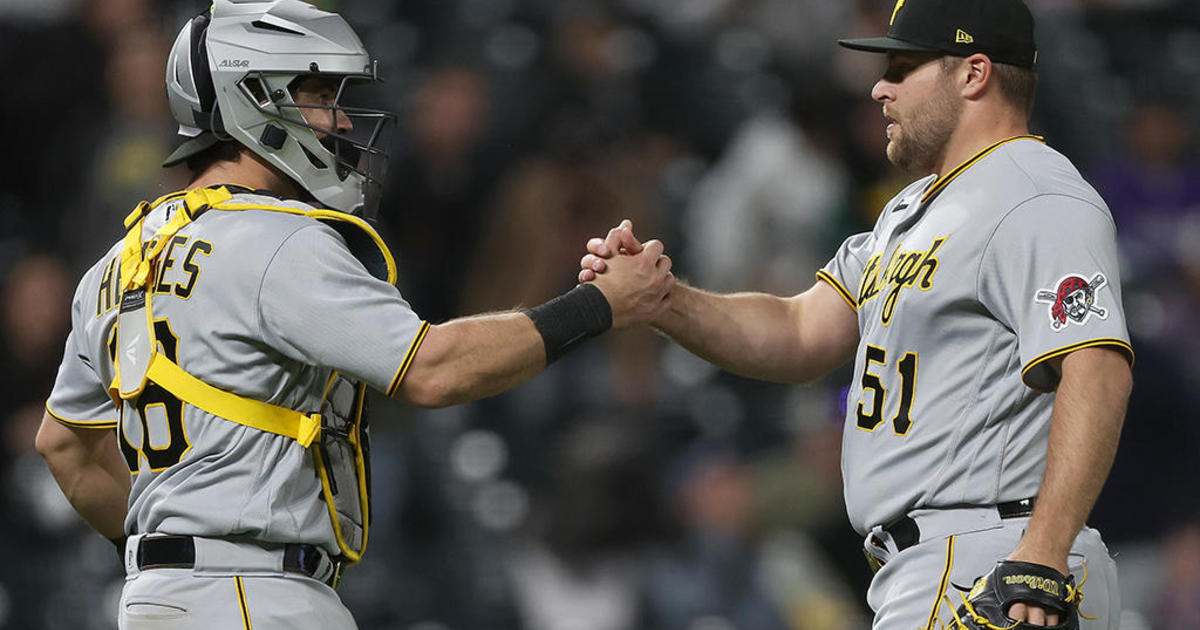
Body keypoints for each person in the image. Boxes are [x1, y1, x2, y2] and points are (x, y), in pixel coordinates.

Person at [34, 1, 673, 628]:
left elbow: (65, 448)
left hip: (153, 601)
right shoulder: (278, 239)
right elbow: (434, 370)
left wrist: (169, 562)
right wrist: (599, 304)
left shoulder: (117, 261)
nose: (339, 120)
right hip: (256, 596)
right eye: (316, 94)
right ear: (252, 98)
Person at [579, 0, 1132, 627]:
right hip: (946, 561)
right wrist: (665, 299)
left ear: (974, 73)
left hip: (995, 559)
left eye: (902, 68)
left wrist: (1041, 555)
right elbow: (800, 332)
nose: (878, 87)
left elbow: (1098, 368)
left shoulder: (1034, 195)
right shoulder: (910, 211)